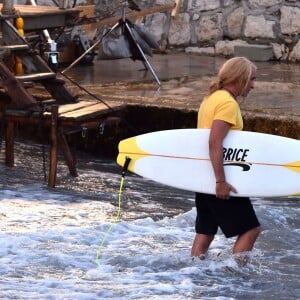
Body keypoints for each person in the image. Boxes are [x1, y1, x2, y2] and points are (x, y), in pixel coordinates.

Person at [191, 57, 261, 264]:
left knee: (206, 231)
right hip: (220, 177)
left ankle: (194, 272)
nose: (253, 86)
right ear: (239, 78)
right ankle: (234, 277)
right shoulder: (227, 103)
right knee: (251, 229)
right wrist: (221, 182)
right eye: (251, 80)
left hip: (204, 175)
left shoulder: (212, 98)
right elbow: (215, 141)